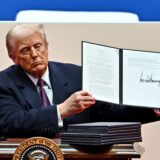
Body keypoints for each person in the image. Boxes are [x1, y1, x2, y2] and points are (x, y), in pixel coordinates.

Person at [0, 24, 159, 138]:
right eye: (25, 50)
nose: (34, 54)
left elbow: (108, 112)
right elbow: (10, 122)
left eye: (38, 46)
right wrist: (61, 110)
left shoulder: (77, 75)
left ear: (47, 48)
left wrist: (151, 109)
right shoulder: (4, 82)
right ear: (13, 57)